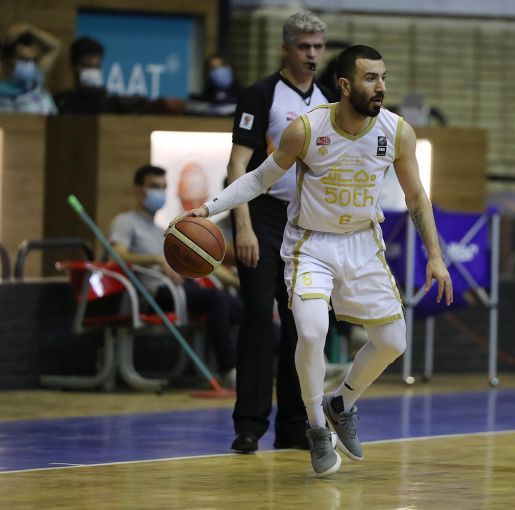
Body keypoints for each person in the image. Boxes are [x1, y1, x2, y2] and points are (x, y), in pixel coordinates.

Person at [171, 44, 453, 477]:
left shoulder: (397, 132)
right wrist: (209, 210)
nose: (380, 86)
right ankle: (317, 428)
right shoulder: (306, 129)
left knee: (393, 341)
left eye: (383, 77)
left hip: (362, 243)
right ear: (345, 85)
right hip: (312, 243)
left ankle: (342, 402)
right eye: (370, 78)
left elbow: (416, 197)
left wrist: (435, 255)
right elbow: (259, 179)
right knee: (311, 330)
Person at [223, 11, 338, 455]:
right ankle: (249, 425)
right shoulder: (261, 94)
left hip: (306, 222)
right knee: (257, 315)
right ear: (286, 48)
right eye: (304, 46)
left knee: (302, 323)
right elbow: (237, 164)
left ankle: (294, 425)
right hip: (263, 215)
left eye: (318, 47)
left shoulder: (330, 99)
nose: (312, 54)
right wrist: (243, 225)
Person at [110, 165, 243, 387]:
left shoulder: (160, 230)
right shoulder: (125, 221)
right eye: (154, 186)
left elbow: (202, 263)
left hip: (180, 289)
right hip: (152, 294)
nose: (160, 192)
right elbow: (117, 256)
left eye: (163, 187)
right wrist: (156, 259)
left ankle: (270, 362)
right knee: (216, 299)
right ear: (138, 190)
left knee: (243, 307)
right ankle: (228, 370)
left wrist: (235, 282)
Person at [0, 23, 60, 114]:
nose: (28, 65)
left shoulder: (35, 73)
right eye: (22, 59)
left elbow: (55, 46)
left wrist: (29, 29)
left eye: (30, 60)